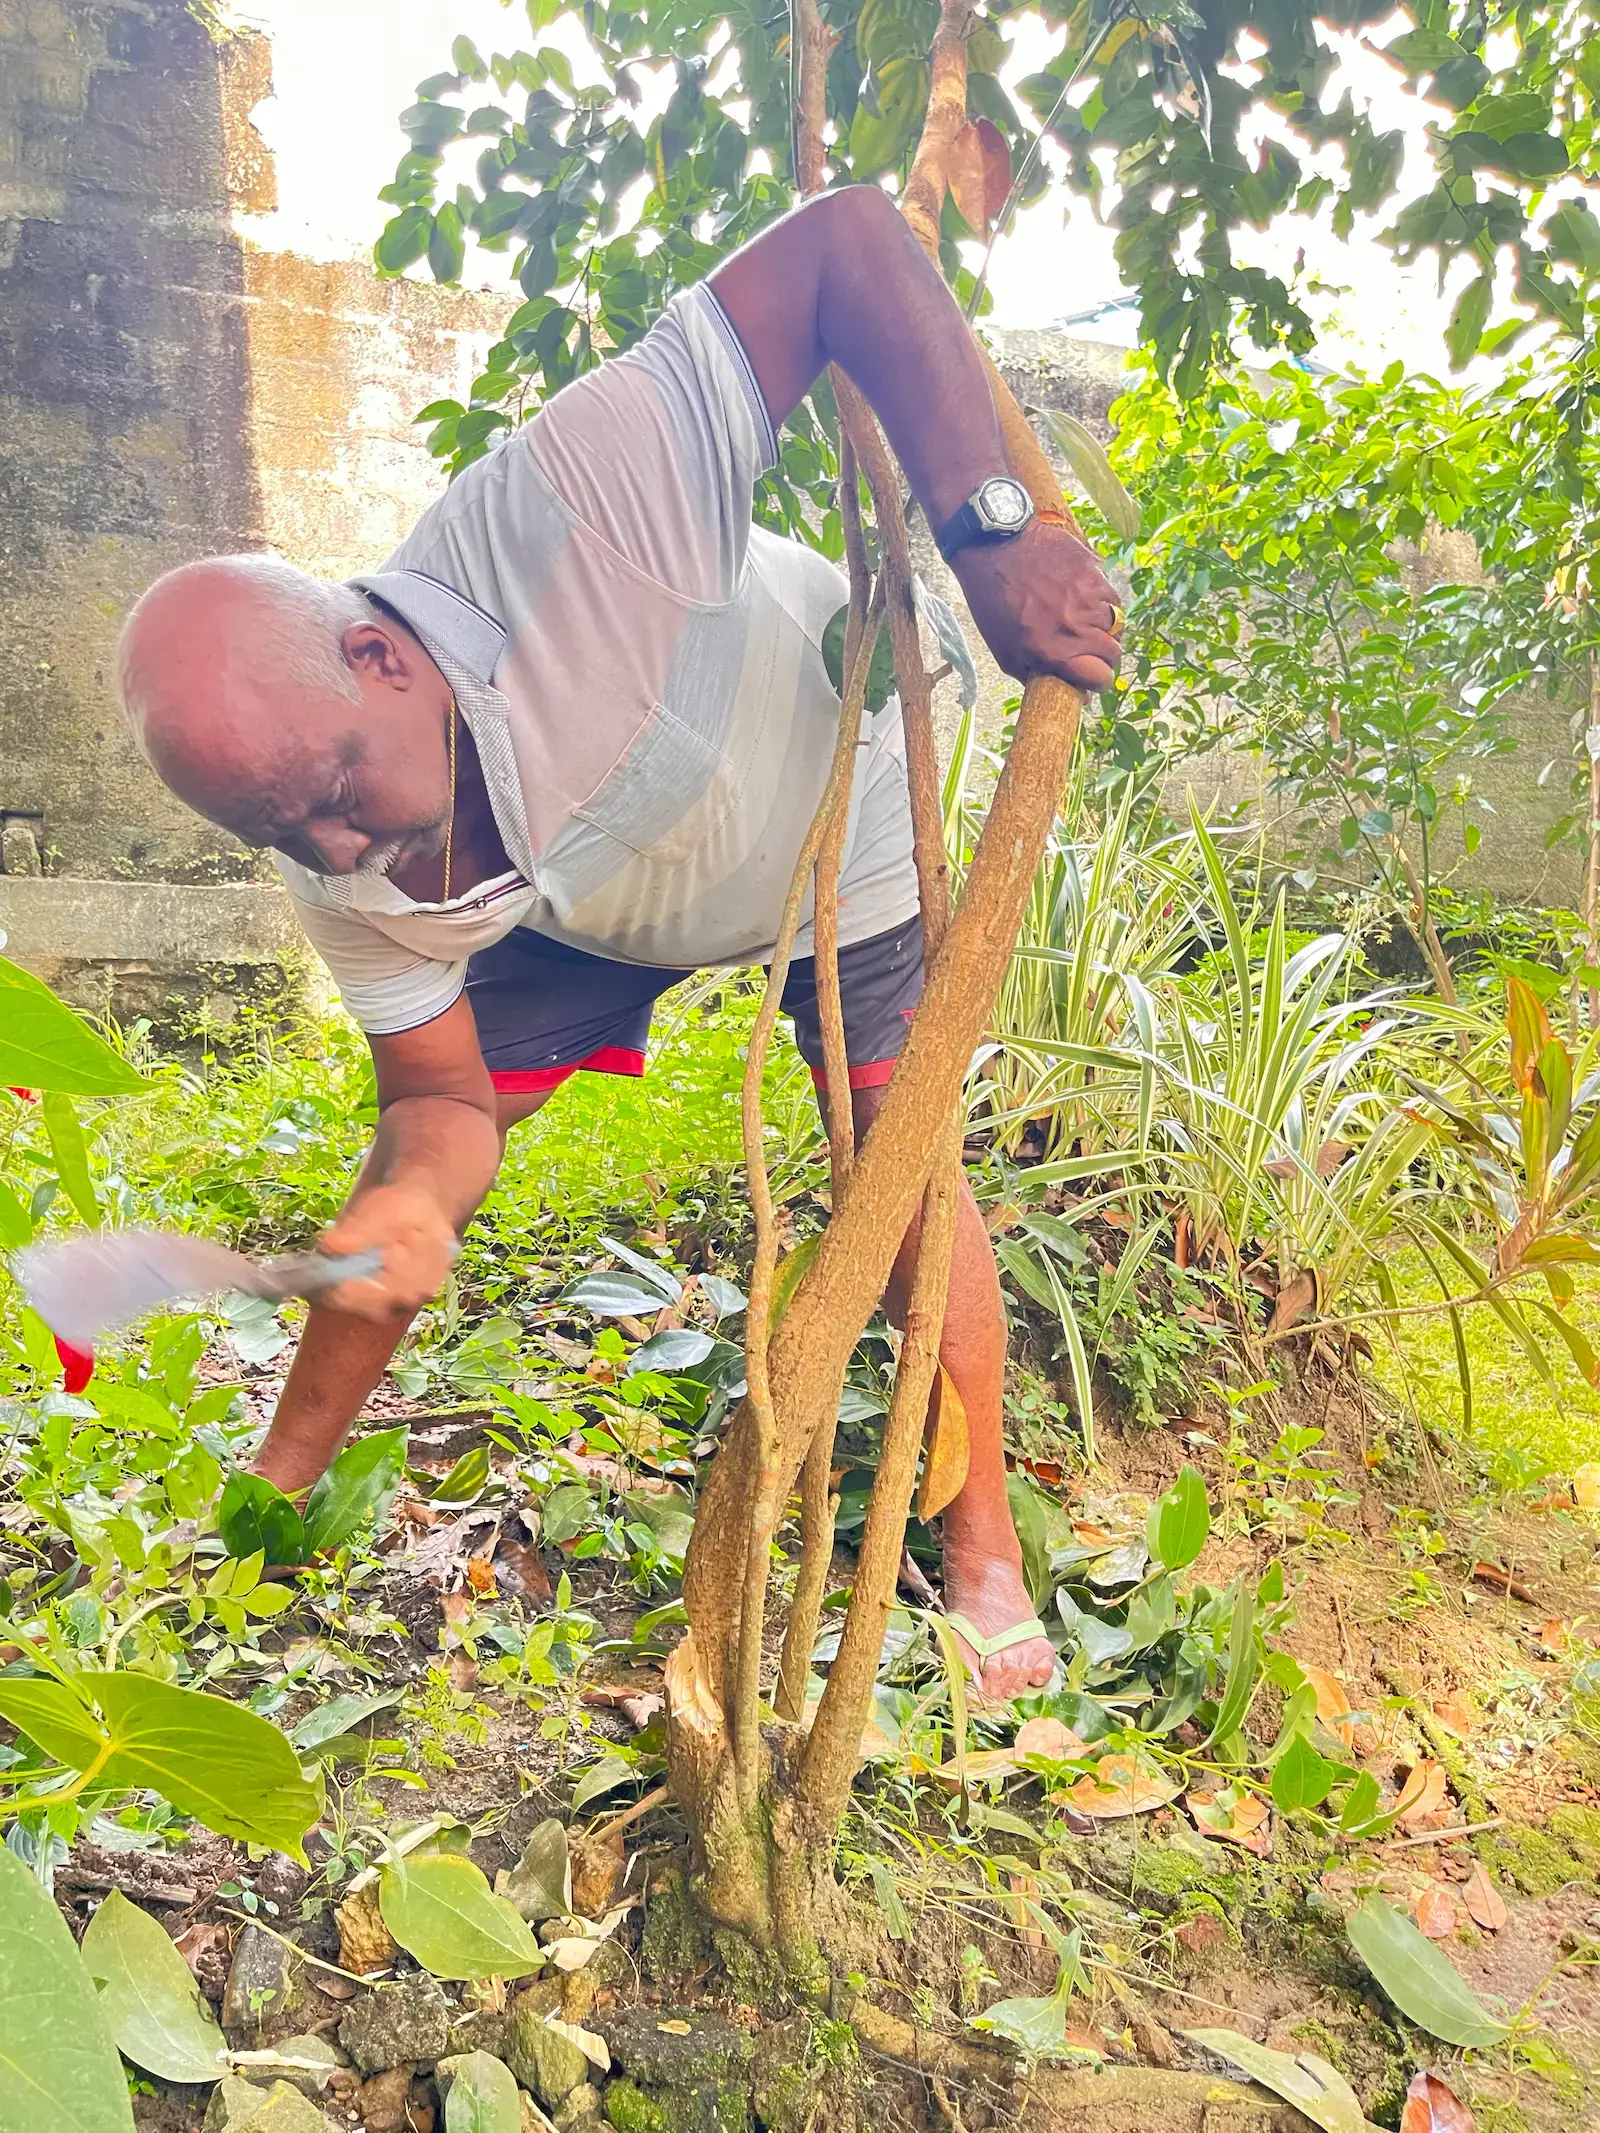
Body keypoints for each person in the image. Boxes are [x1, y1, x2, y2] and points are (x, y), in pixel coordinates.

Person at [116, 186, 1122, 1700]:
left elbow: (847, 241)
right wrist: (418, 1203)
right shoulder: (345, 862)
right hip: (582, 906)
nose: (335, 858)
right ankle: (271, 1488)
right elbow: (441, 1107)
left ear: (384, 658)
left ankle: (980, 1546)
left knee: (898, 1174)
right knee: (381, 1208)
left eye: (332, 795)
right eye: (284, 838)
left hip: (824, 813)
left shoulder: (577, 509)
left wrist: (993, 542)